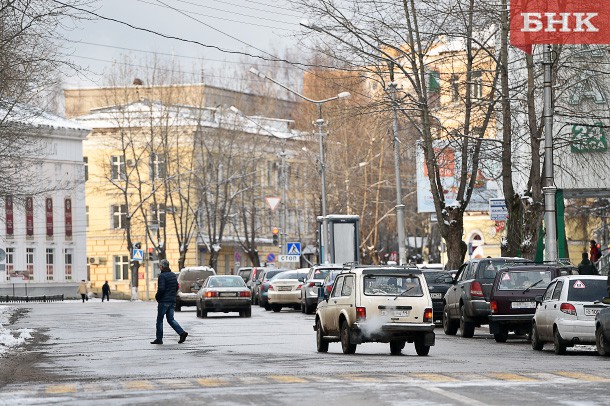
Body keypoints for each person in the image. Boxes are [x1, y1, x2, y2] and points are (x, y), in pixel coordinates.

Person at [151, 259, 188, 345]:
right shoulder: (172, 275)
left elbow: (161, 289)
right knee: (171, 319)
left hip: (164, 301)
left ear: (162, 267)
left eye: (160, 266)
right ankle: (182, 333)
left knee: (159, 320)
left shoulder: (162, 276)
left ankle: (159, 338)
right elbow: (176, 287)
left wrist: (157, 297)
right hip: (172, 300)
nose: (160, 267)